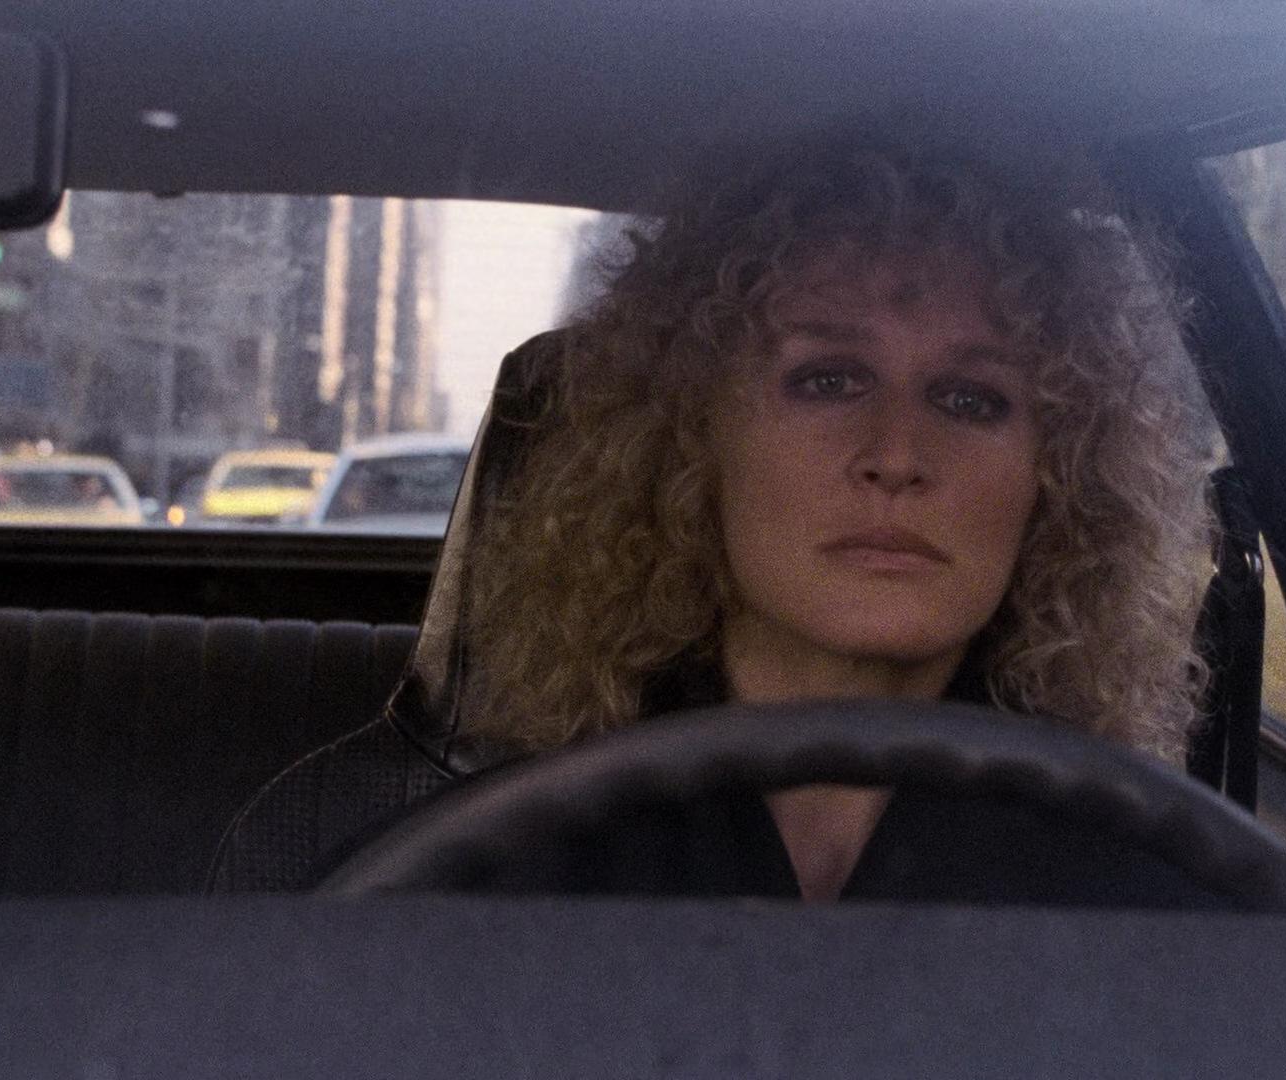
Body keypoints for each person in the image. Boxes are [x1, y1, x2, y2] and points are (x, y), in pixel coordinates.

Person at [211, 125, 1214, 899]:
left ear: (1060, 476)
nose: (899, 456)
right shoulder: (471, 875)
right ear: (690, 438)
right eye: (828, 380)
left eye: (969, 399)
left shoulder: (1153, 895)